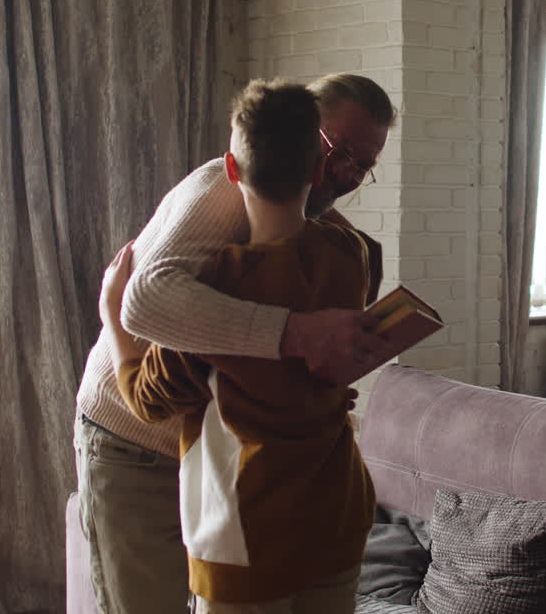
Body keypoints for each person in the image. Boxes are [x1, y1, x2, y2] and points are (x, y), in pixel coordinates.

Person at [75, 73, 394, 614]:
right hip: (134, 443)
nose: (346, 174)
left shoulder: (336, 243)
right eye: (340, 153)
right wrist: (296, 334)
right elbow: (143, 303)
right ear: (307, 139)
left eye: (363, 166)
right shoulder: (216, 197)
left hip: (212, 455)